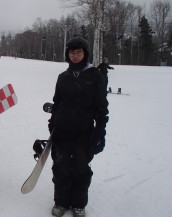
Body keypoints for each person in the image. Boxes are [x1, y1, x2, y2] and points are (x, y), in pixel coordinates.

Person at [48, 36, 109, 217]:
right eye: (72, 53)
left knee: (81, 168)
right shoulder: (63, 77)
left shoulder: (95, 77)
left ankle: (78, 203)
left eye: (78, 52)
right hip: (63, 131)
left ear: (85, 54)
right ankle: (61, 202)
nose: (75, 56)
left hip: (84, 132)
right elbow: (57, 103)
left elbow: (101, 108)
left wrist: (100, 132)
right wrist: (52, 124)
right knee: (61, 167)